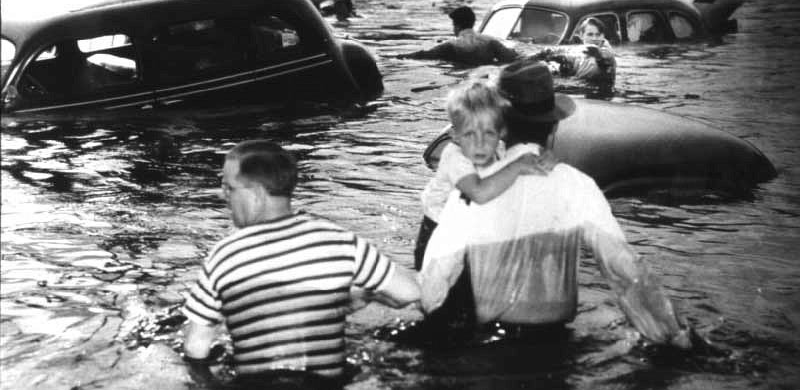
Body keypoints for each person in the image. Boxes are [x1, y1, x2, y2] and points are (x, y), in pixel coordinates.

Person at [419, 58, 692, 349]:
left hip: (488, 345)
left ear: (501, 130)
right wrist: (674, 335)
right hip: (558, 343)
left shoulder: (471, 193)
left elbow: (435, 281)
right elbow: (625, 271)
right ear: (553, 132)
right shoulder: (578, 186)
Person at [181, 140, 420, 387]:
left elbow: (195, 347)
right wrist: (357, 297)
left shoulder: (225, 255)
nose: (224, 196)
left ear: (256, 194)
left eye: (228, 188)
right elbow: (409, 292)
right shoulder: (338, 241)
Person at [416, 81, 555, 268]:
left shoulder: (497, 150)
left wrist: (543, 162)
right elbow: (479, 192)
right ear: (454, 134)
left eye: (488, 133)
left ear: (501, 132)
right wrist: (517, 167)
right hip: (438, 237)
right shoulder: (454, 157)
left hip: (471, 235)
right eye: (469, 134)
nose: (479, 143)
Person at [399, 6, 519, 66]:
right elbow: (511, 57)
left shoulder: (450, 45)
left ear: (457, 26)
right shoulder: (490, 41)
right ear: (472, 23)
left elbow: (423, 55)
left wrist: (399, 56)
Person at [531, 17, 616, 94]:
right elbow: (569, 56)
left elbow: (600, 54)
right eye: (590, 34)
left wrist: (597, 54)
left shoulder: (606, 51)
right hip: (583, 88)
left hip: (601, 94)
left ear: (603, 36)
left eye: (598, 35)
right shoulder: (581, 52)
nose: (594, 38)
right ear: (581, 36)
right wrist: (545, 55)